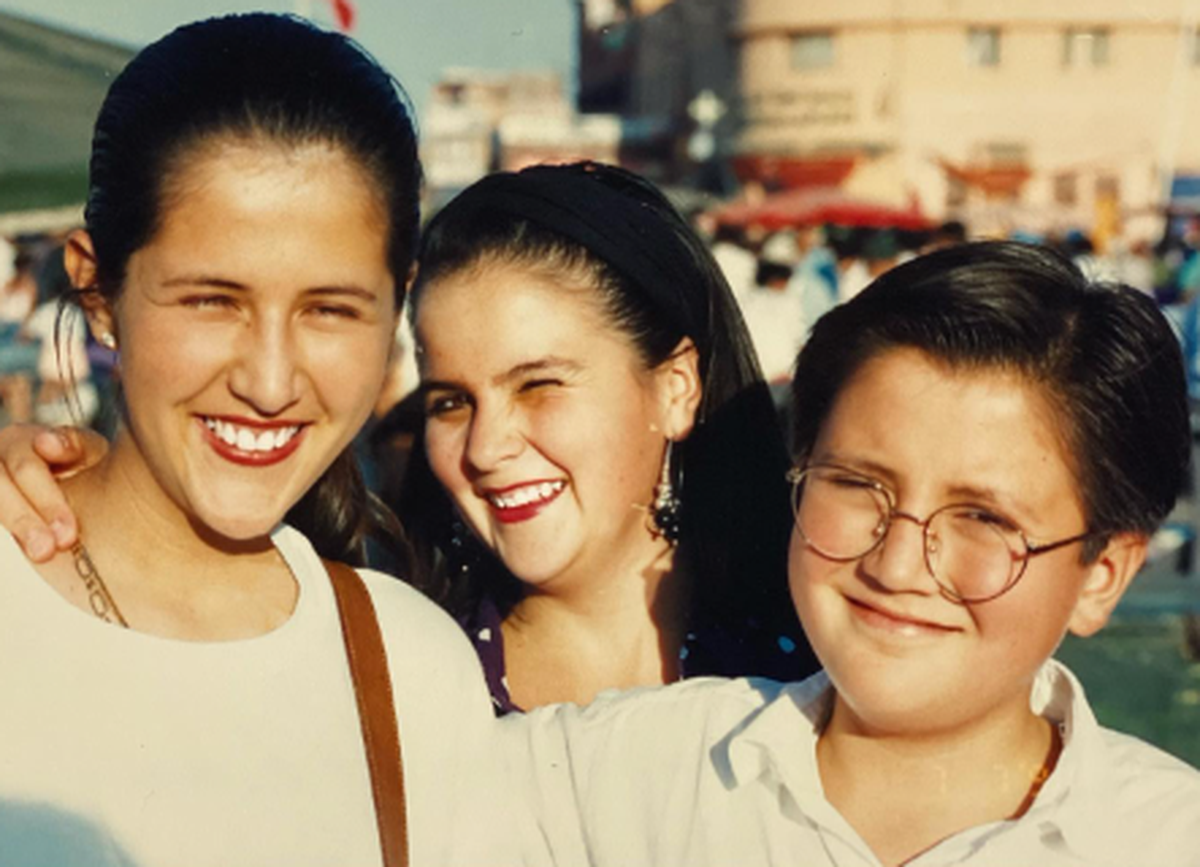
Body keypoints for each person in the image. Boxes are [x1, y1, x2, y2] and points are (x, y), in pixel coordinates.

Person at [502, 241, 1200, 867]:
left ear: (1101, 575)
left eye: (983, 518)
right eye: (858, 485)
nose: (896, 564)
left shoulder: (1167, 837)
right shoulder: (613, 780)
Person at [0, 14, 500, 867]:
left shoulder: (416, 671)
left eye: (331, 309)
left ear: (398, 305)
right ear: (98, 292)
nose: (270, 382)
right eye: (211, 301)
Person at [397, 162, 818, 711]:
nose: (484, 447)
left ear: (675, 389)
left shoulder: (819, 673)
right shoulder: (401, 687)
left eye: (537, 385)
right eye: (450, 403)